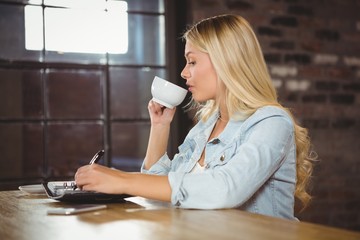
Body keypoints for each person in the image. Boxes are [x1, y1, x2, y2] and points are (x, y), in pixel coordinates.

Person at [75, 14, 316, 220]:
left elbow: (225, 189)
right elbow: (160, 191)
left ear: (226, 61)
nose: (183, 72)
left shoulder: (271, 123)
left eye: (192, 61)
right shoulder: (206, 127)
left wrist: (124, 180)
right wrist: (160, 127)